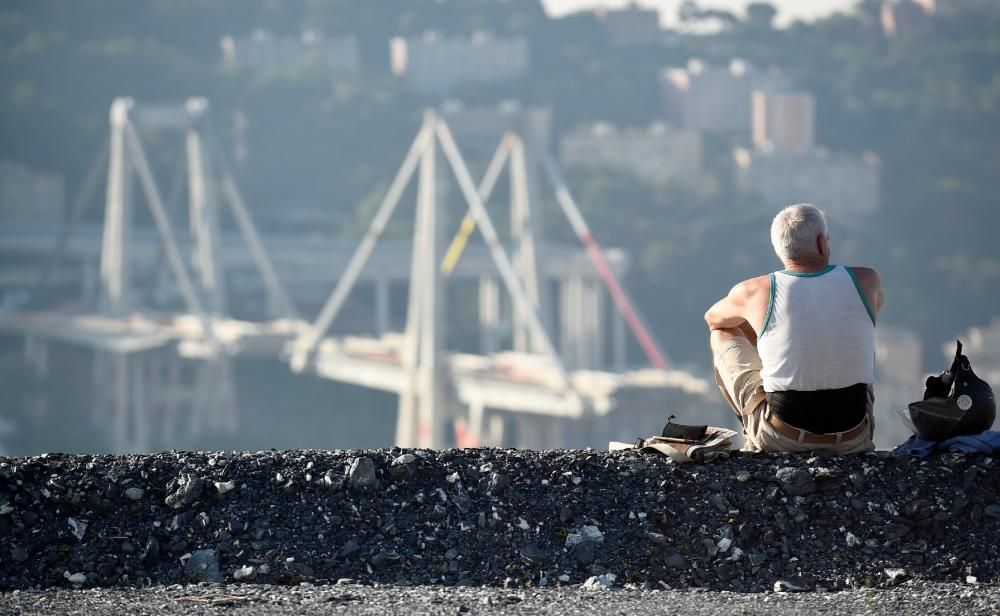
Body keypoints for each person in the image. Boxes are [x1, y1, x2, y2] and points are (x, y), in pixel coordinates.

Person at [704, 204, 884, 453]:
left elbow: (713, 319)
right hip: (854, 437)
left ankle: (753, 432)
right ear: (822, 243)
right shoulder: (867, 280)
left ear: (780, 250)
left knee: (722, 334)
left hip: (780, 438)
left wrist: (761, 333)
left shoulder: (755, 291)